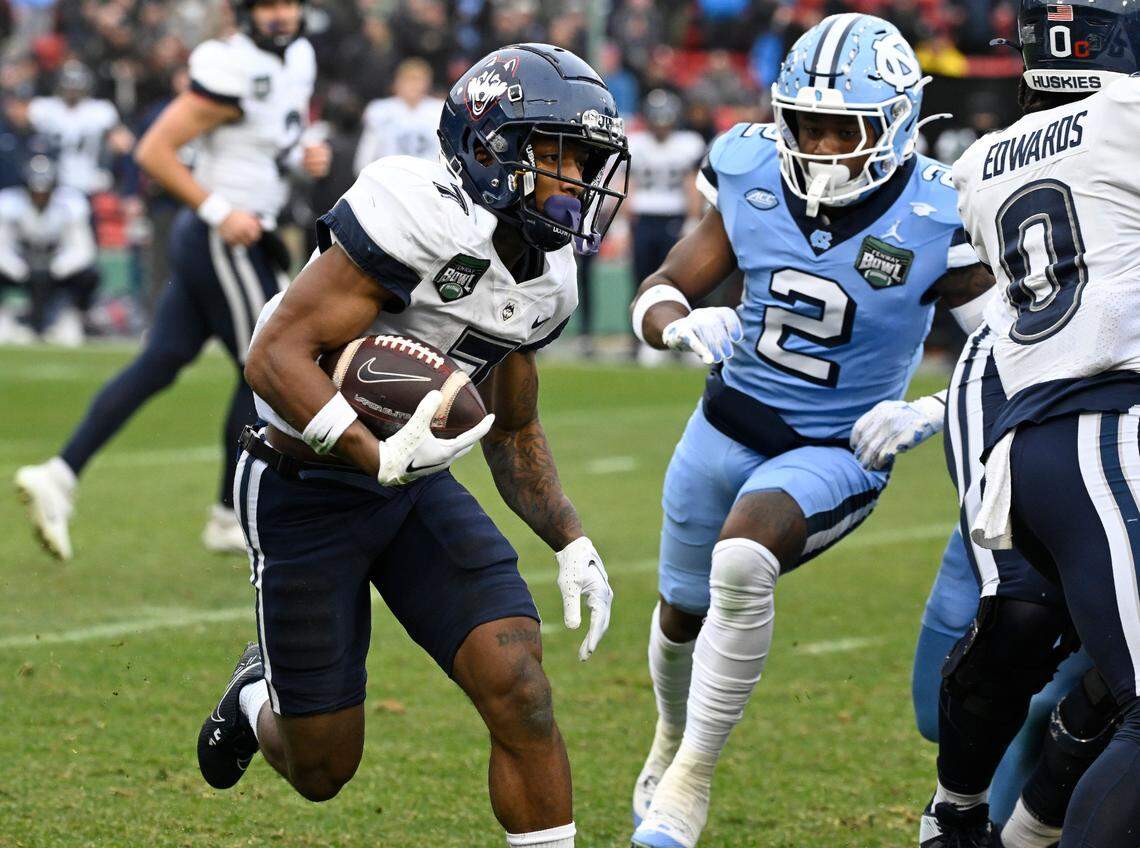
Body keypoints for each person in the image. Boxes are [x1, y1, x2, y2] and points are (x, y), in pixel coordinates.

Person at [195, 45, 625, 848]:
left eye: (590, 161)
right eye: (562, 157)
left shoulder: (551, 275)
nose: (580, 182)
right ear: (491, 149)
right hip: (305, 480)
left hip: (415, 486)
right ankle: (255, 698)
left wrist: (570, 537)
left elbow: (515, 423)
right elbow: (275, 355)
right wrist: (371, 453)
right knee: (322, 769)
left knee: (520, 684)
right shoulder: (417, 206)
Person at [626, 14, 996, 847]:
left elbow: (1007, 347)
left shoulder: (941, 211)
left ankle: (690, 784)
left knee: (743, 558)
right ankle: (663, 739)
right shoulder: (751, 169)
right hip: (718, 430)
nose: (824, 146)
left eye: (845, 129)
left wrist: (929, 410)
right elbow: (660, 287)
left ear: (899, 123)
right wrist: (680, 324)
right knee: (681, 610)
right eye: (808, 125)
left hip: (833, 451)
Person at [923, 0, 1140, 843]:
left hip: (1033, 448)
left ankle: (973, 819)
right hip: (1105, 431)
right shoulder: (1125, 117)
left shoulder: (982, 162)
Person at [14, 0, 331, 560]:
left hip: (245, 229)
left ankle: (59, 474)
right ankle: (229, 515)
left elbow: (265, 139)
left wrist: (301, 158)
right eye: (269, 5)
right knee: (271, 363)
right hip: (224, 234)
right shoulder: (227, 65)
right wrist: (218, 212)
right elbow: (155, 151)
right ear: (246, 12)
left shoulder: (299, 57)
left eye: (289, 3)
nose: (282, 15)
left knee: (160, 362)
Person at [626, 89, 705, 361]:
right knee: (644, 279)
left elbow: (691, 184)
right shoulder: (636, 143)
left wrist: (693, 219)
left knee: (681, 279)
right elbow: (629, 185)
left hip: (674, 217)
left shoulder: (688, 143)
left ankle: (687, 336)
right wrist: (624, 224)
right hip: (645, 217)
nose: (661, 125)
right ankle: (649, 339)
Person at [0, 154, 97, 343]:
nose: (40, 197)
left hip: (56, 270)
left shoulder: (71, 204)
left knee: (89, 276)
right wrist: (19, 269)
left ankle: (70, 315)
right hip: (20, 267)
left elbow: (84, 250)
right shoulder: (8, 204)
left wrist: (55, 268)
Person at [353, 56, 443, 173]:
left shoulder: (439, 110)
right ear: (397, 82)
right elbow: (364, 158)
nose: (413, 85)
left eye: (418, 79)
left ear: (428, 83)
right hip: (389, 180)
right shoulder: (379, 110)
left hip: (429, 182)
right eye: (408, 79)